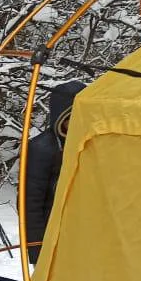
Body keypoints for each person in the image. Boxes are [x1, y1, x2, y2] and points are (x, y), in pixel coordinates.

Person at [24, 81, 86, 265]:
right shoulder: (42, 149)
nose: (76, 122)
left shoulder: (92, 144)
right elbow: (31, 202)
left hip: (85, 234)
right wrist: (37, 247)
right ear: (61, 117)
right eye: (71, 116)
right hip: (54, 235)